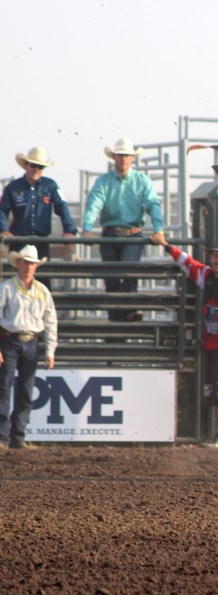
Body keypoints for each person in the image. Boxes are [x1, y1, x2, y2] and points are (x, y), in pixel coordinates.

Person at [150, 234, 218, 448]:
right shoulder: (207, 276)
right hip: (214, 340)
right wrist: (166, 245)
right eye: (215, 256)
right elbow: (188, 263)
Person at [82, 138, 165, 322]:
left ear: (133, 159)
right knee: (112, 276)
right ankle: (122, 317)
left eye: (127, 156)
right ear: (114, 158)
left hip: (132, 233)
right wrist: (87, 226)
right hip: (111, 232)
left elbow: (152, 204)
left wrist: (158, 228)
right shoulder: (104, 182)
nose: (124, 159)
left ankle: (125, 314)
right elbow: (94, 204)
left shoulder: (141, 181)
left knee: (129, 269)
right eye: (120, 156)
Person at [0, 246, 57, 449]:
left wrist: (50, 351)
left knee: (25, 391)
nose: (28, 267)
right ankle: (3, 437)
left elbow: (51, 322)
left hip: (31, 342)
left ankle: (17, 437)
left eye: (32, 263)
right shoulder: (6, 288)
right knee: (4, 388)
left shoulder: (42, 291)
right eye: (25, 262)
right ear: (19, 264)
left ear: (35, 267)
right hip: (8, 340)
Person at [0, 147, 78, 263]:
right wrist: (4, 229)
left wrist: (69, 230)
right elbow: (2, 210)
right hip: (18, 240)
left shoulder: (50, 186)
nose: (37, 170)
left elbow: (62, 206)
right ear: (26, 165)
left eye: (40, 167)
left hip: (41, 241)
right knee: (18, 276)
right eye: (33, 166)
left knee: (43, 277)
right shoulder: (13, 188)